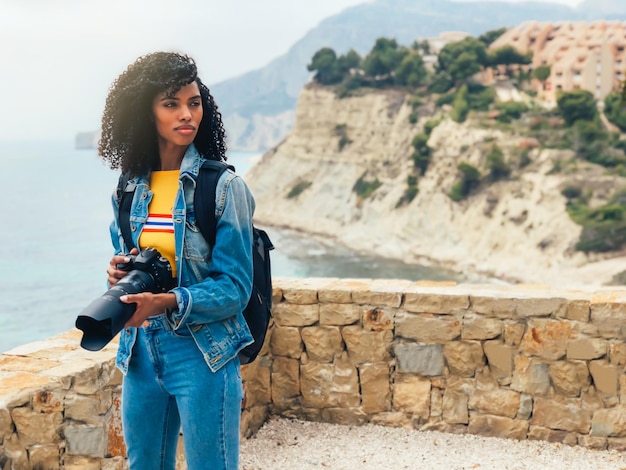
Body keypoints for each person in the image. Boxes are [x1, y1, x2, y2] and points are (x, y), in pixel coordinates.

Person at [98, 51, 255, 470]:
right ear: (145, 113)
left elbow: (235, 289)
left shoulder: (223, 187)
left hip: (202, 353)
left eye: (194, 102)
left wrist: (165, 301)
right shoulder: (129, 188)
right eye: (171, 104)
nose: (187, 115)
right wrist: (118, 272)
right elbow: (128, 256)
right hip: (140, 352)